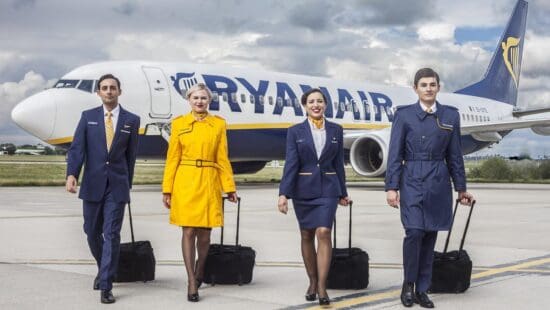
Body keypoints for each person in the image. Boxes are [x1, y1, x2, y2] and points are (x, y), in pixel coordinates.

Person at [385, 68, 474, 308]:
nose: (428, 88)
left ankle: (423, 290)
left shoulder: (450, 116)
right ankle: (408, 285)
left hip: (438, 181)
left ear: (438, 87)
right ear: (416, 89)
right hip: (411, 178)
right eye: (423, 85)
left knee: (430, 235)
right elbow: (395, 154)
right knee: (414, 232)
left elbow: (455, 155)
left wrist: (461, 187)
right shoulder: (403, 116)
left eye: (432, 84)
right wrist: (391, 187)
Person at [66, 73, 140, 304]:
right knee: (91, 231)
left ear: (119, 91)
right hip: (92, 183)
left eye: (113, 88)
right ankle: (103, 267)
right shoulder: (88, 117)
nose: (109, 91)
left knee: (112, 234)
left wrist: (127, 184)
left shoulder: (131, 120)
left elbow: (131, 156)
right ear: (98, 92)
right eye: (104, 88)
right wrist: (71, 174)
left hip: (117, 186)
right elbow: (77, 149)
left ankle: (106, 285)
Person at [162, 83, 238, 302]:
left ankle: (200, 269)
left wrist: (229, 187)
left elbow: (222, 158)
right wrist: (167, 189)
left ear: (209, 101)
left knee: (204, 235)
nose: (199, 102)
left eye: (203, 98)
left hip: (208, 180)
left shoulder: (218, 125)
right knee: (188, 231)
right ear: (189, 100)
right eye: (195, 98)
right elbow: (172, 158)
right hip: (185, 180)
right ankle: (191, 281)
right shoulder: (179, 124)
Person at [278, 88, 351, 306]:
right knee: (307, 235)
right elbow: (291, 164)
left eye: (320, 101)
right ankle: (311, 280)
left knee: (324, 231)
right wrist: (284, 194)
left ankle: (321, 286)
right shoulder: (295, 131)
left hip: (329, 188)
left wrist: (343, 193)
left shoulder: (337, 130)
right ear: (305, 105)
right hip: (303, 189)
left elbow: (339, 163)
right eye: (311, 102)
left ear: (326, 105)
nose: (316, 105)